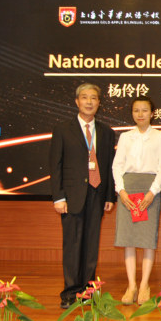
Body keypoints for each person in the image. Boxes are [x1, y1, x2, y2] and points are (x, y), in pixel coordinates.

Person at [49, 83, 115, 309]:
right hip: (71, 196)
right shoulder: (62, 129)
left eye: (93, 98)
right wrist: (58, 197)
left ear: (99, 103)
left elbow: (108, 165)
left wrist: (109, 196)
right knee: (72, 245)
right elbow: (55, 165)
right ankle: (70, 292)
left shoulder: (106, 132)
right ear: (77, 102)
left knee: (91, 245)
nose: (89, 102)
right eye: (85, 97)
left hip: (97, 194)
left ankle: (88, 291)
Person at [112, 97, 161, 305]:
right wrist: (121, 191)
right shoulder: (126, 137)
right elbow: (117, 166)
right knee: (128, 239)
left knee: (147, 239)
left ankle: (144, 284)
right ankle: (131, 285)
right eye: (136, 110)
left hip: (150, 189)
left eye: (145, 110)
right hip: (128, 189)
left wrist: (152, 192)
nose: (140, 114)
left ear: (152, 113)